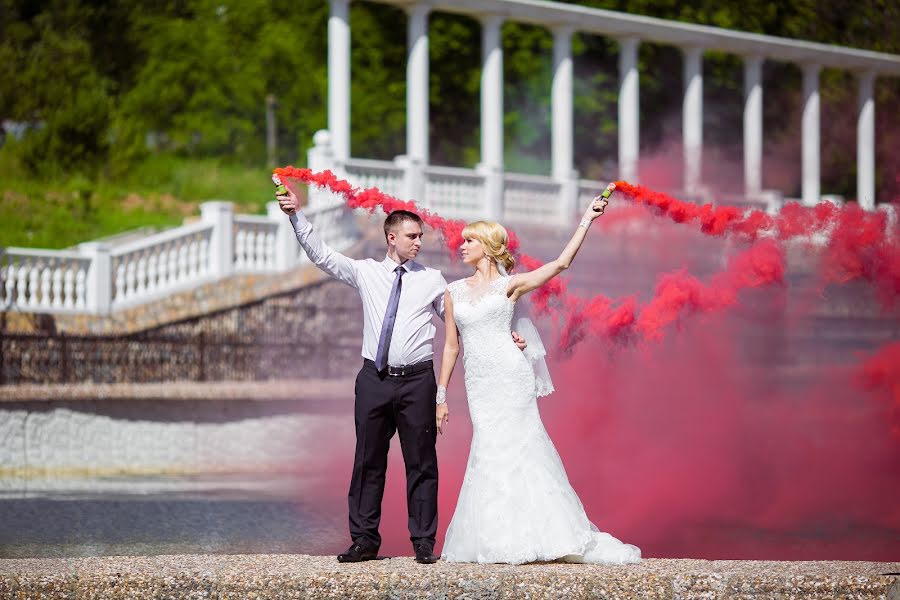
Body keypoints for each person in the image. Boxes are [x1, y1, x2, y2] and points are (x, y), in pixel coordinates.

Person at [276, 188, 526, 565]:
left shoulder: (434, 280)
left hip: (417, 382)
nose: (419, 242)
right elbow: (322, 255)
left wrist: (505, 336)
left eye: (421, 236)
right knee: (368, 460)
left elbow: (462, 324)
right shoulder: (365, 272)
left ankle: (423, 542)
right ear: (391, 237)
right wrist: (296, 216)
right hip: (373, 380)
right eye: (412, 236)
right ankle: (364, 541)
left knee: (422, 462)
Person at [436, 194, 642, 565]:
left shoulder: (511, 285)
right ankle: (496, 536)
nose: (461, 245)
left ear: (487, 247)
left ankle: (545, 534)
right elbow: (451, 346)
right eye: (463, 240)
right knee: (487, 448)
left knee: (522, 447)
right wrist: (440, 396)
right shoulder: (452, 293)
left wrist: (587, 219)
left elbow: (562, 263)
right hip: (479, 383)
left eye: (469, 240)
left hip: (511, 376)